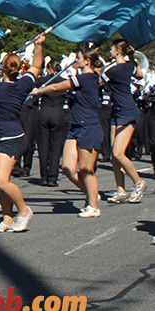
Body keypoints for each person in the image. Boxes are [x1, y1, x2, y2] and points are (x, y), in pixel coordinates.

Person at [0, 36, 45, 232]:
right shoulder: (23, 84)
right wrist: (38, 45)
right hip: (5, 137)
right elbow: (36, 67)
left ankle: (24, 210)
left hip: (11, 138)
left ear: (1, 69)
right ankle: (7, 219)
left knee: (1, 180)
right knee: (1, 182)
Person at [33, 48, 104, 217]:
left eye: (78, 58)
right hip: (76, 126)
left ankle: (93, 206)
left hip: (89, 126)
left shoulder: (87, 77)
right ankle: (92, 193)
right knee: (67, 167)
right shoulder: (87, 76)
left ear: (87, 61)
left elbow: (58, 86)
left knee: (86, 168)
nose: (75, 60)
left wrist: (39, 91)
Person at [103, 40, 147, 204]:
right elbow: (140, 74)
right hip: (118, 111)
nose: (109, 51)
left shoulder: (112, 70)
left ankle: (139, 182)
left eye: (111, 48)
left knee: (118, 153)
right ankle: (120, 190)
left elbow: (99, 81)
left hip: (127, 112)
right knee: (115, 157)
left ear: (117, 50)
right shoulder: (129, 66)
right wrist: (132, 58)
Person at [37, 60, 70, 187]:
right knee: (56, 147)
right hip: (58, 112)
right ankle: (52, 177)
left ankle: (44, 176)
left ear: (49, 68)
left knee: (43, 146)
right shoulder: (63, 81)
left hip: (44, 112)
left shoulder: (42, 81)